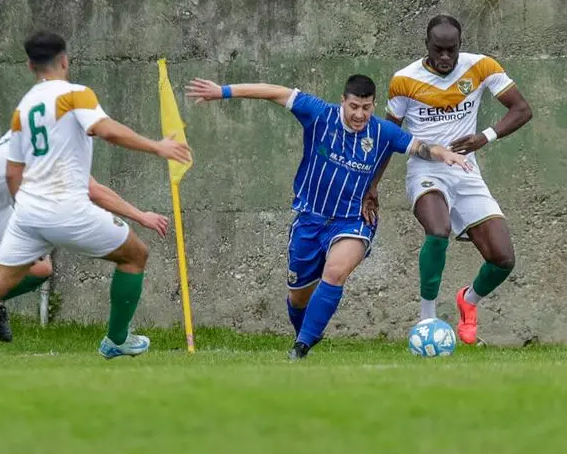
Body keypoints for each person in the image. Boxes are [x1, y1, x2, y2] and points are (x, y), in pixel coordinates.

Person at [0, 30, 191, 368]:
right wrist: (157, 146)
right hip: (65, 208)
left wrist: (26, 214)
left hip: (27, 212)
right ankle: (117, 341)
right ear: (65, 60)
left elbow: (13, 174)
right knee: (135, 255)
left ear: (30, 65)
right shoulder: (76, 95)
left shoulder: (24, 108)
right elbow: (106, 130)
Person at [185, 74, 472, 359]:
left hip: (353, 220)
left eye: (367, 108)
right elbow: (273, 90)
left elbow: (419, 146)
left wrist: (443, 154)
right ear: (343, 102)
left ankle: (300, 348)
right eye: (354, 107)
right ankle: (307, 334)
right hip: (310, 219)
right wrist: (222, 91)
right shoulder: (319, 114)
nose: (360, 114)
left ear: (373, 106)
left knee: (334, 272)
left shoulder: (383, 132)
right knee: (298, 297)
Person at [0, 129, 176, 362]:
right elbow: (92, 190)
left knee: (41, 270)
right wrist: (141, 216)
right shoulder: (48, 137)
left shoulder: (44, 128)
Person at [363, 14, 533, 345]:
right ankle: (427, 319)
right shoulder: (404, 80)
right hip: (426, 170)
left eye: (451, 51)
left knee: (503, 259)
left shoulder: (481, 67)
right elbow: (388, 135)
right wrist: (372, 185)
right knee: (437, 230)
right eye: (438, 50)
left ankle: (468, 301)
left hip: (466, 172)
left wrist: (483, 137)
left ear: (460, 46)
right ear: (426, 45)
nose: (445, 58)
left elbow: (521, 110)